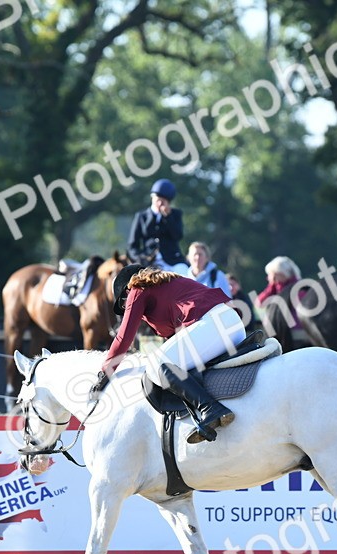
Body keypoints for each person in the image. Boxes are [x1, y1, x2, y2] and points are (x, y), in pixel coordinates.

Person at [91, 265, 245, 444]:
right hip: (233, 324)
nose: (126, 307)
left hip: (213, 325)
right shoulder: (170, 283)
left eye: (124, 303)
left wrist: (105, 371)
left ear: (127, 289)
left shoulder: (137, 289)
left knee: (157, 363)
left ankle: (210, 408)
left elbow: (124, 337)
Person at [127, 179, 187, 274]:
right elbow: (132, 245)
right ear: (152, 197)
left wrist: (168, 217)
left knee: (186, 274)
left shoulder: (175, 214)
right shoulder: (142, 216)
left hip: (172, 261)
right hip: (148, 262)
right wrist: (140, 259)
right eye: (158, 199)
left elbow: (178, 236)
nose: (160, 203)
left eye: (163, 201)